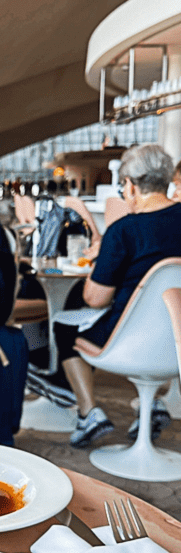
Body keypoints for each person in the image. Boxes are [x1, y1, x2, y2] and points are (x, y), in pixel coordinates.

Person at [53, 143, 181, 447]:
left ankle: (89, 412)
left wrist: (102, 262)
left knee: (65, 324)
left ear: (131, 185)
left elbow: (95, 298)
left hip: (131, 341)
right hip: (176, 341)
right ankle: (152, 407)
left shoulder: (124, 231)